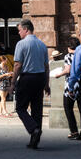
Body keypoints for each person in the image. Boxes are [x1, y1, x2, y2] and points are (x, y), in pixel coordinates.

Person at [7, 19, 50, 149]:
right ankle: (34, 140)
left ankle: (33, 129)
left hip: (27, 78)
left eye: (19, 30)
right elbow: (46, 66)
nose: (19, 33)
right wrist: (46, 84)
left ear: (26, 29)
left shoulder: (21, 44)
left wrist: (13, 83)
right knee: (37, 109)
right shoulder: (42, 45)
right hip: (40, 77)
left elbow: (18, 64)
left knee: (20, 107)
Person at [55, 37, 81, 139]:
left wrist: (59, 74)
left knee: (68, 108)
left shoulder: (68, 56)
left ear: (69, 47)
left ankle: (74, 131)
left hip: (71, 85)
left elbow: (68, 70)